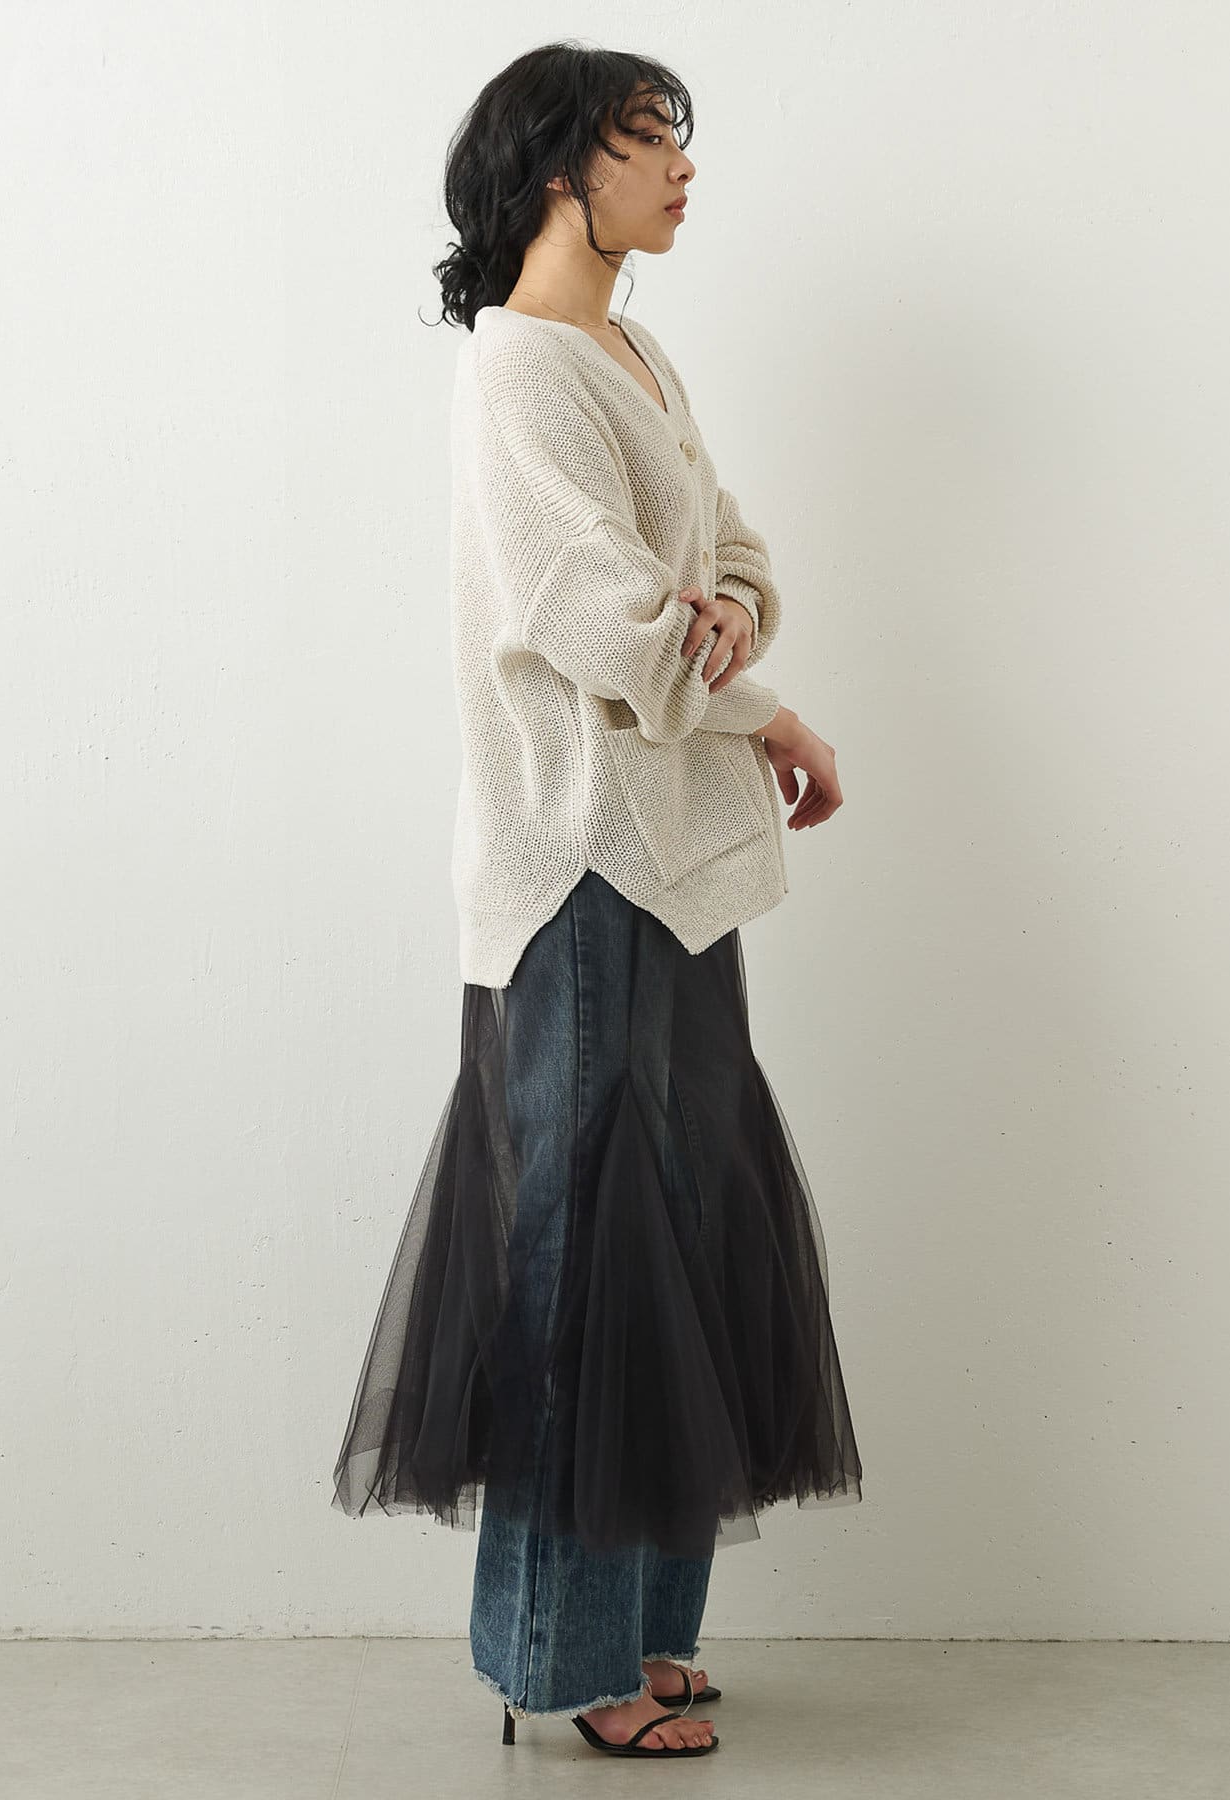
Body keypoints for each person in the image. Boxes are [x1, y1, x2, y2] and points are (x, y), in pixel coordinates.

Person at [331, 43, 863, 1761]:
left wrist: (729, 621)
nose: (683, 170)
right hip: (577, 866)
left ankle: (646, 1627)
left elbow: (731, 563)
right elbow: (608, 625)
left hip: (675, 871)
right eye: (651, 141)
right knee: (576, 1253)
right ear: (566, 167)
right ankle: (562, 1657)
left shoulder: (635, 354)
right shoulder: (519, 369)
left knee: (678, 1239)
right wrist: (763, 705)